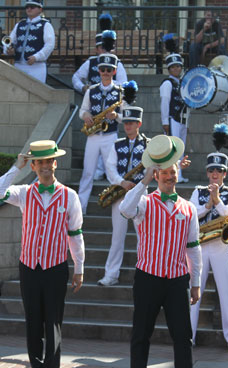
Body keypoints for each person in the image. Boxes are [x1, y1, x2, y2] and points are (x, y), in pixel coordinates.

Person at [0, 140, 84, 368]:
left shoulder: (69, 196)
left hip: (55, 267)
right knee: (33, 321)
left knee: (52, 321)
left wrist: (79, 267)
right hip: (30, 266)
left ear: (56, 163)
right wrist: (16, 167)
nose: (45, 166)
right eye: (40, 162)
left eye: (49, 161)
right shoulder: (23, 193)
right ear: (33, 166)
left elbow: (75, 234)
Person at [120, 134, 202, 368]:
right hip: (148, 277)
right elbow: (125, 208)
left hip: (177, 279)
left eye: (173, 172)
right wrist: (143, 180)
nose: (169, 177)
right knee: (141, 333)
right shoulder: (144, 203)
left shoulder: (189, 208)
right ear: (157, 175)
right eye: (164, 173)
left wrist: (196, 282)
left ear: (178, 174)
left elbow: (194, 248)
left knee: (183, 335)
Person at [189, 151, 228, 352]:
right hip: (200, 246)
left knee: (227, 292)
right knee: (193, 292)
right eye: (211, 170)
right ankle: (188, 335)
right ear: (207, 172)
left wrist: (218, 200)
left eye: (219, 171)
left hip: (221, 245)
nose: (214, 174)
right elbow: (193, 213)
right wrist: (208, 203)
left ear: (225, 174)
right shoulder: (198, 191)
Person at [99, 104, 148, 287]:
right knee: (117, 236)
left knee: (143, 236)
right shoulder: (116, 144)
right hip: (120, 193)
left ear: (139, 124)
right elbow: (110, 167)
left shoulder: (148, 145)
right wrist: (121, 183)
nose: (128, 126)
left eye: (132, 123)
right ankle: (110, 275)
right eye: (126, 122)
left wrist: (137, 187)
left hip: (141, 195)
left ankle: (144, 274)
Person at [77, 52, 124, 214]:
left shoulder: (119, 92)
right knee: (87, 173)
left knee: (113, 173)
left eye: (109, 70)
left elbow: (127, 117)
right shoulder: (91, 90)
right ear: (98, 71)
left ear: (114, 71)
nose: (105, 72)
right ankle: (80, 209)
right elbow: (82, 110)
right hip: (93, 136)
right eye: (103, 69)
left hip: (111, 136)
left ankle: (117, 207)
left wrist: (116, 115)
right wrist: (86, 116)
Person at [72, 14, 128, 94]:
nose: (105, 51)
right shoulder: (91, 62)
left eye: (107, 48)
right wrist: (83, 87)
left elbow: (123, 83)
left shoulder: (117, 64)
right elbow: (76, 78)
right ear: (96, 50)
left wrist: (108, 85)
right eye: (102, 48)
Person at [160, 34, 190, 183]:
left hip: (183, 118)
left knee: (181, 147)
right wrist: (165, 121)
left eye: (178, 66)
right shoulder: (168, 84)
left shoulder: (183, 83)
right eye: (173, 67)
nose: (176, 69)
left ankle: (179, 174)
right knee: (173, 149)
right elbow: (165, 102)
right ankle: (173, 174)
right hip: (173, 118)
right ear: (169, 69)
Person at [3, 0, 55, 83]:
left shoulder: (46, 25)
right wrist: (8, 49)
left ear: (40, 9)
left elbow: (50, 45)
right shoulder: (19, 24)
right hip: (19, 64)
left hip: (36, 66)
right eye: (27, 7)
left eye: (32, 7)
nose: (29, 9)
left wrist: (37, 57)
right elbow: (9, 40)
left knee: (37, 91)